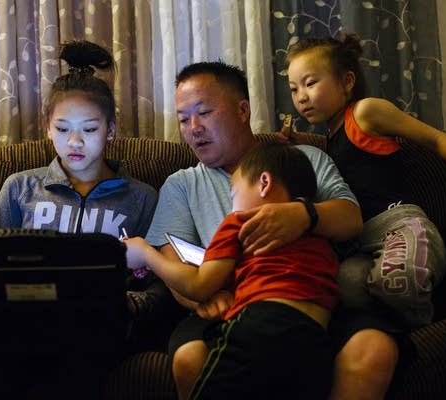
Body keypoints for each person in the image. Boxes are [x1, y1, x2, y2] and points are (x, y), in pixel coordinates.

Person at [282, 33, 446, 398]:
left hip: (399, 225)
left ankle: (430, 337)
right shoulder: (326, 140)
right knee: (342, 288)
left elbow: (435, 140)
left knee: (397, 279)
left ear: (347, 82)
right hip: (360, 246)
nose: (301, 97)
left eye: (311, 83)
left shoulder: (365, 112)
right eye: (294, 89)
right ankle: (390, 339)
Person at [143, 61, 362, 399]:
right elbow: (175, 264)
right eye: (184, 119)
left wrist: (304, 215)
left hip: (307, 297)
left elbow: (350, 218)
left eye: (204, 113)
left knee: (372, 348)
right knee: (189, 358)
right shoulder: (182, 185)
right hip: (228, 305)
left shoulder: (303, 158)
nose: (193, 128)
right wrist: (208, 297)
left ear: (242, 109)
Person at [0, 39, 176, 399]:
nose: (75, 142)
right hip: (26, 322)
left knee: (75, 355)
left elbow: (162, 285)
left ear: (111, 130)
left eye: (89, 129)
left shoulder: (142, 198)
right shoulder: (19, 188)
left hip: (101, 331)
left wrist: (133, 304)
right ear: (47, 128)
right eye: (62, 129)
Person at [125, 143, 340, 399]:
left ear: (264, 183)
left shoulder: (242, 221)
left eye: (234, 193)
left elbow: (199, 286)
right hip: (316, 339)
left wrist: (146, 254)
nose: (233, 204)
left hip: (259, 328)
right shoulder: (317, 232)